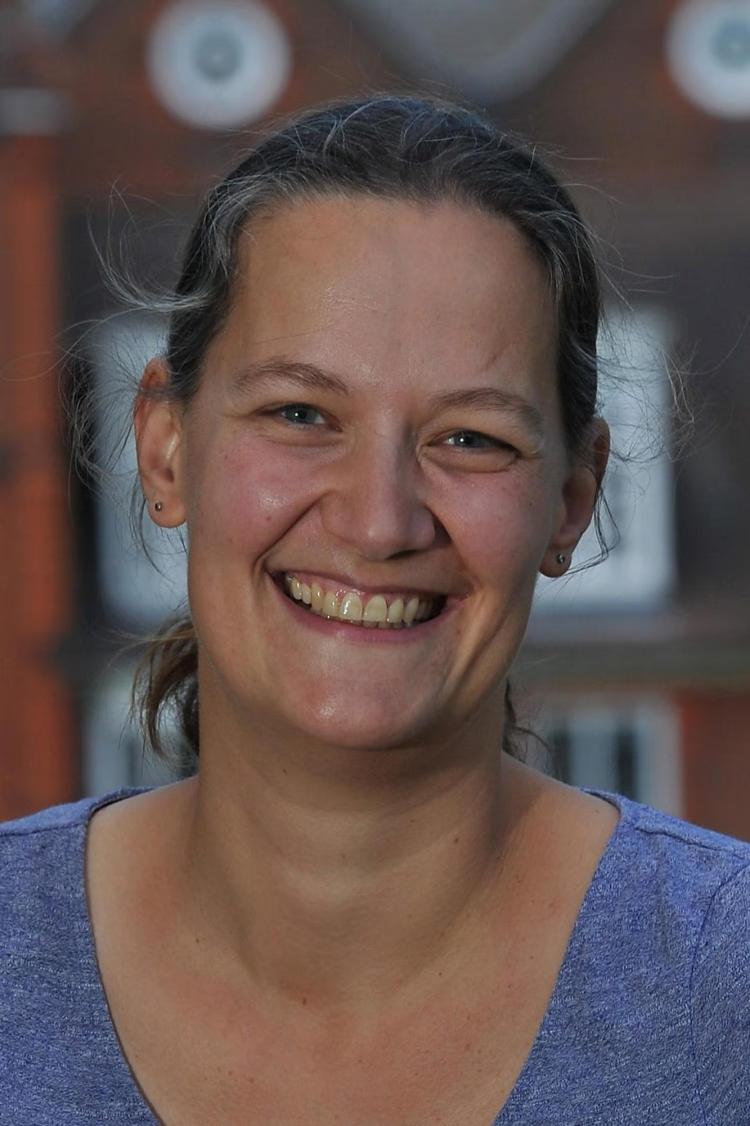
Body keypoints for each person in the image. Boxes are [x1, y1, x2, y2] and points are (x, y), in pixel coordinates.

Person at [1, 93, 748, 1126]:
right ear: (166, 447)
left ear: (574, 498)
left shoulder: (727, 989)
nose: (380, 519)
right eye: (300, 414)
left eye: (472, 437)